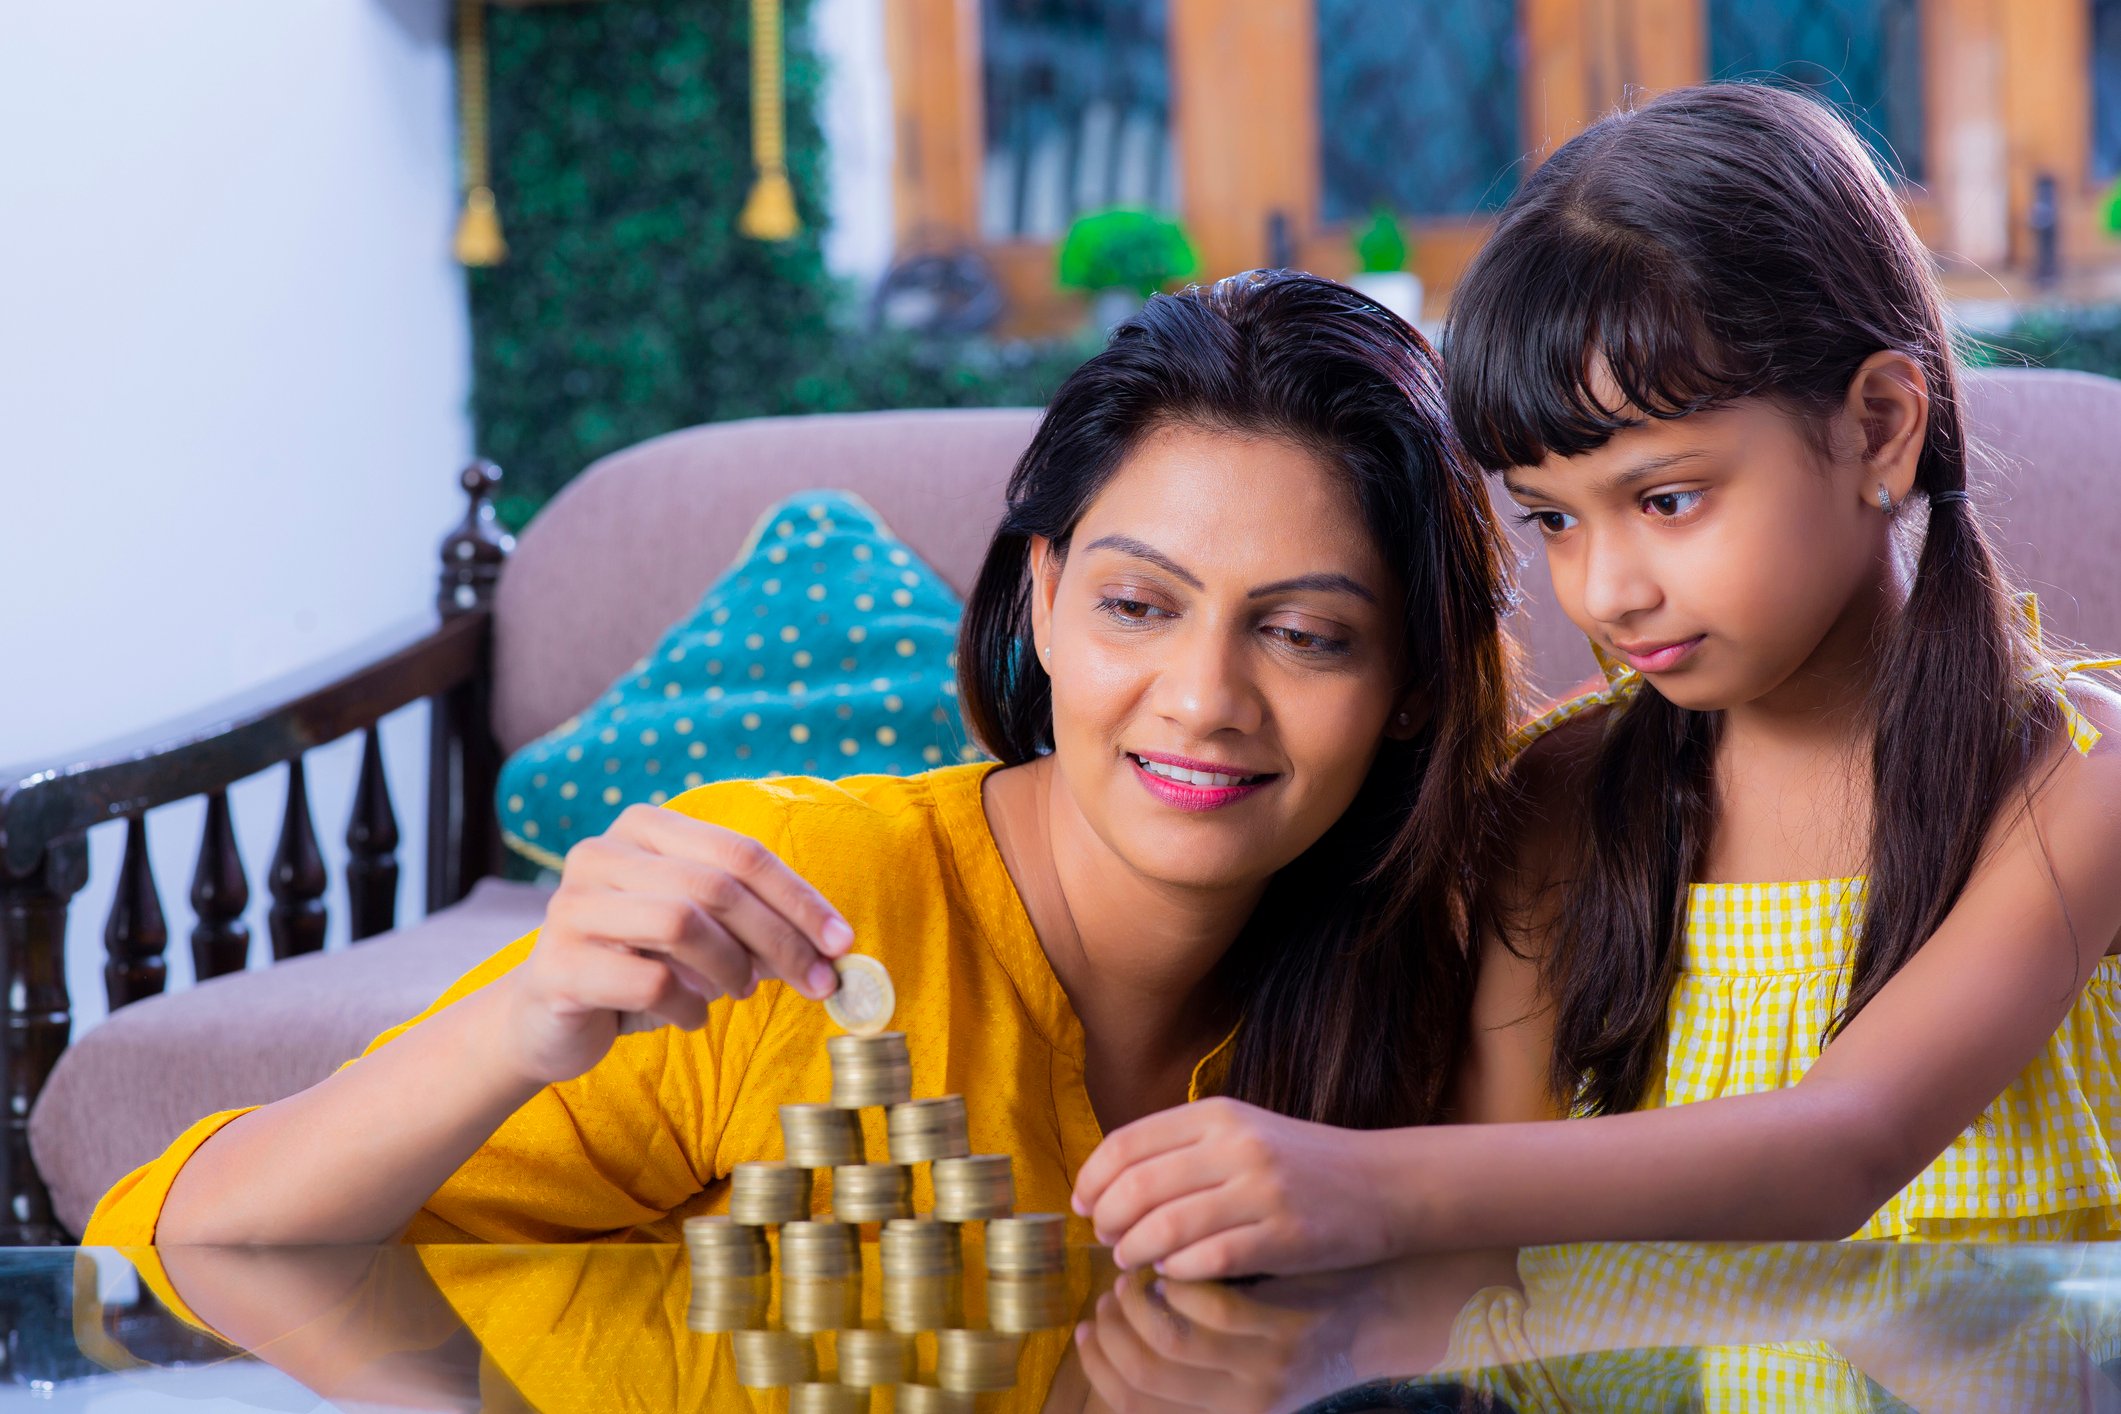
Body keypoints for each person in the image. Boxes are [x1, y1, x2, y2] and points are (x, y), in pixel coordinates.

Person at [86, 269, 1517, 1247]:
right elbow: (185, 1236)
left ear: (1408, 682)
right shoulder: (788, 902)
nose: (1202, 697)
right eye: (1138, 604)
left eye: (1308, 634)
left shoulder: (1449, 948)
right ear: (1039, 594)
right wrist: (527, 1014)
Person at [1074, 83, 2121, 1281]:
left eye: (1667, 499)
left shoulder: (2074, 775)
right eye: (1553, 520)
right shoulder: (1562, 797)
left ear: (1880, 427)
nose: (1606, 590)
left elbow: (1846, 1148)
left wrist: (1363, 1181)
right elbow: (1492, 1267)